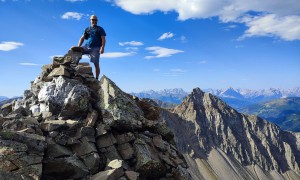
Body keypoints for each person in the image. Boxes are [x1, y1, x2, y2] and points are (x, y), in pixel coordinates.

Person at [77, 15, 106, 80]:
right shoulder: (87, 29)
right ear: (90, 20)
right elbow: (82, 38)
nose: (94, 21)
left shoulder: (100, 29)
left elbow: (103, 39)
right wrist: (78, 47)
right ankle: (73, 68)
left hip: (96, 48)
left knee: (96, 64)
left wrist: (102, 48)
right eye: (93, 20)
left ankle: (96, 78)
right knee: (76, 52)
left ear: (97, 21)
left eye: (95, 20)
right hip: (87, 47)